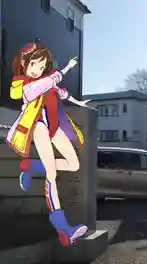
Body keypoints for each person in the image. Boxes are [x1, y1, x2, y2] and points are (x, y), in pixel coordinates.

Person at [6, 42, 93, 246]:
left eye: (42, 64)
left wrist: (78, 102)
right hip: (38, 127)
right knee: (52, 175)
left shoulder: (48, 79)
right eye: (33, 64)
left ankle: (32, 166)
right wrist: (59, 73)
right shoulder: (21, 84)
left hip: (54, 126)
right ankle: (63, 230)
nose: (38, 69)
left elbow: (61, 92)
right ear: (23, 65)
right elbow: (33, 91)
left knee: (73, 164)